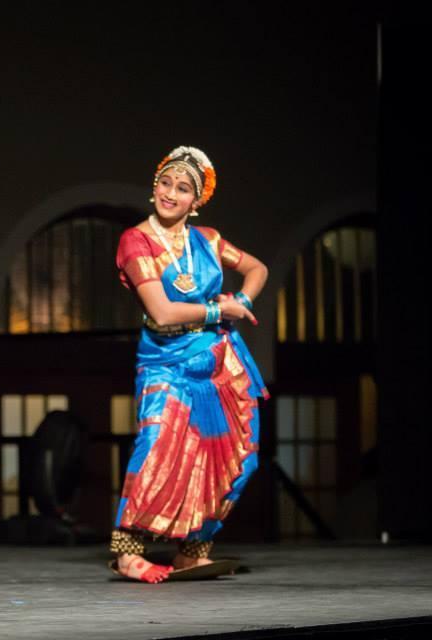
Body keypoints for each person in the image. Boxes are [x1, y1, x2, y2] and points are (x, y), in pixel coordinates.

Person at [109, 146, 268, 583]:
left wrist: (242, 300)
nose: (170, 193)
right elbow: (162, 313)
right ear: (154, 187)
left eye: (182, 189)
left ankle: (193, 550)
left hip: (218, 363)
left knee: (237, 458)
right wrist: (221, 310)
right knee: (156, 445)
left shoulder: (209, 240)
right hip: (166, 360)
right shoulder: (136, 241)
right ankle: (128, 552)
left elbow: (257, 268)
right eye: (165, 183)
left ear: (195, 201)